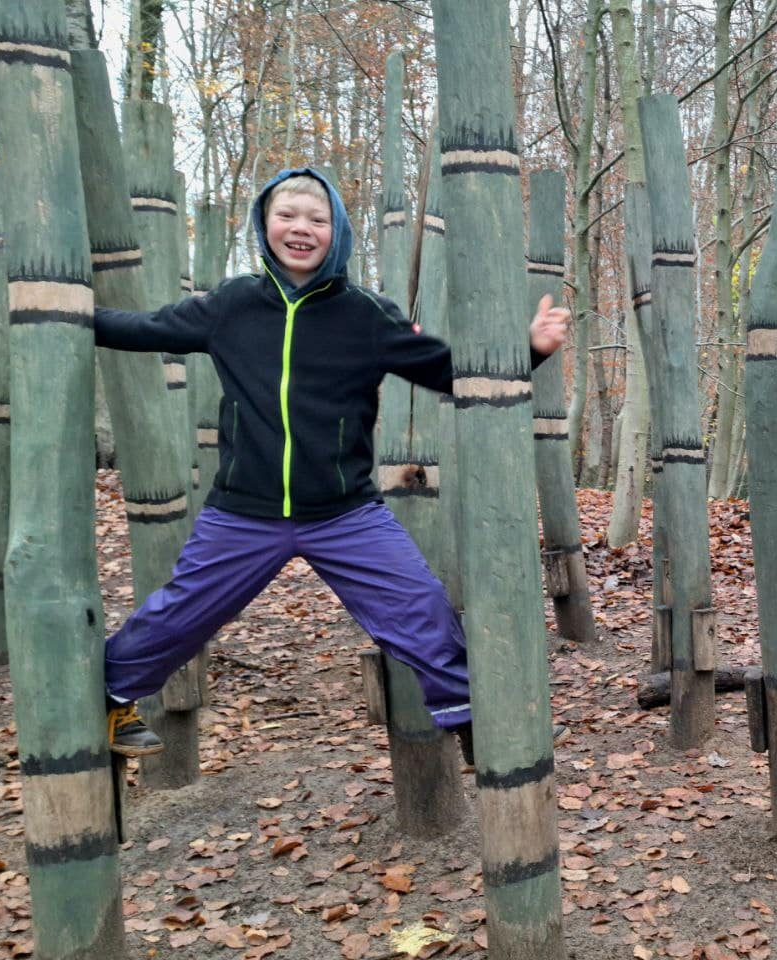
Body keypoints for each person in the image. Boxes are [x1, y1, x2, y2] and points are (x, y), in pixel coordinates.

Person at [97, 168, 569, 763]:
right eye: (287, 216)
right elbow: (144, 328)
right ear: (264, 225)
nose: (301, 228)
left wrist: (531, 350)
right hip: (244, 509)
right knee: (181, 612)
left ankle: (470, 715)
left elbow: (445, 369)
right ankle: (112, 693)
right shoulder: (231, 305)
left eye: (316, 219)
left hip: (345, 512)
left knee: (419, 607)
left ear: (337, 230)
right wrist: (66, 312)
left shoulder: (366, 314)